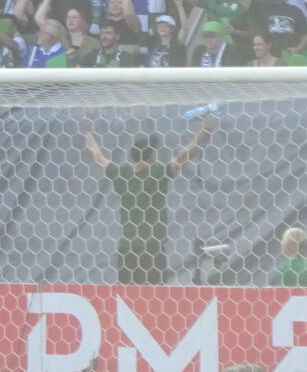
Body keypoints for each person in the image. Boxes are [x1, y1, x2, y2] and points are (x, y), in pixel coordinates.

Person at [80, 113, 215, 285]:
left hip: (126, 248)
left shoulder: (121, 174)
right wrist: (203, 133)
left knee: (127, 298)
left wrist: (87, 133)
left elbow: (98, 158)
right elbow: (182, 157)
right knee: (153, 298)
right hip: (151, 248)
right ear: (151, 155)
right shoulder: (157, 173)